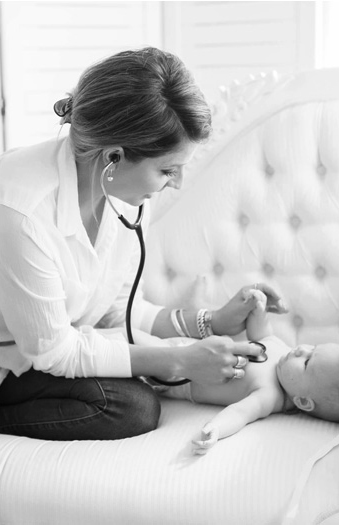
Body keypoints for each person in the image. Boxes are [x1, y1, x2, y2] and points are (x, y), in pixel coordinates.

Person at [0, 47, 286, 441]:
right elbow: (54, 352)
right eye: (168, 169)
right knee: (132, 406)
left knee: (135, 398)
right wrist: (177, 361)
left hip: (29, 353)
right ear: (114, 156)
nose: (177, 182)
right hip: (15, 358)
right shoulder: (20, 213)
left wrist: (210, 322)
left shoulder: (124, 195)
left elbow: (116, 312)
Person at [150, 289, 339, 454]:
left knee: (137, 344)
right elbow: (262, 335)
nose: (301, 349)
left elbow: (240, 413)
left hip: (175, 377)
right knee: (139, 340)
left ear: (303, 401)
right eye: (313, 347)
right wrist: (258, 311)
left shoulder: (269, 395)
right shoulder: (283, 351)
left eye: (306, 362)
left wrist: (216, 429)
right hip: (193, 347)